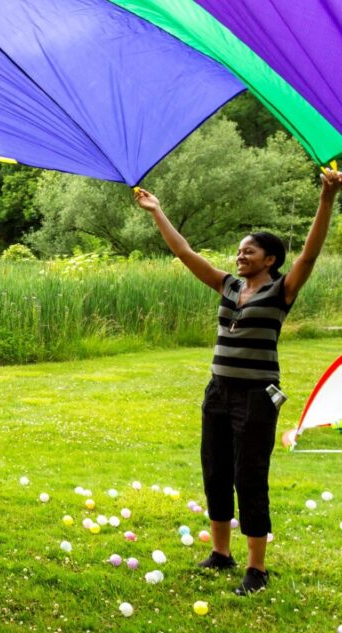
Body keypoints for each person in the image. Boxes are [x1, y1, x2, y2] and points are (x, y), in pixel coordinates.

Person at [134, 166, 342, 595]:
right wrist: (157, 211)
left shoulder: (282, 290)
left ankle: (257, 568)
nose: (240, 256)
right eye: (239, 251)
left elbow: (310, 254)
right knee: (215, 470)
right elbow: (186, 253)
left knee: (249, 475)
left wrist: (326, 200)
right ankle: (221, 554)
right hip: (219, 392)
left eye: (249, 252)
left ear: (270, 260)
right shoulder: (228, 286)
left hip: (257, 397)